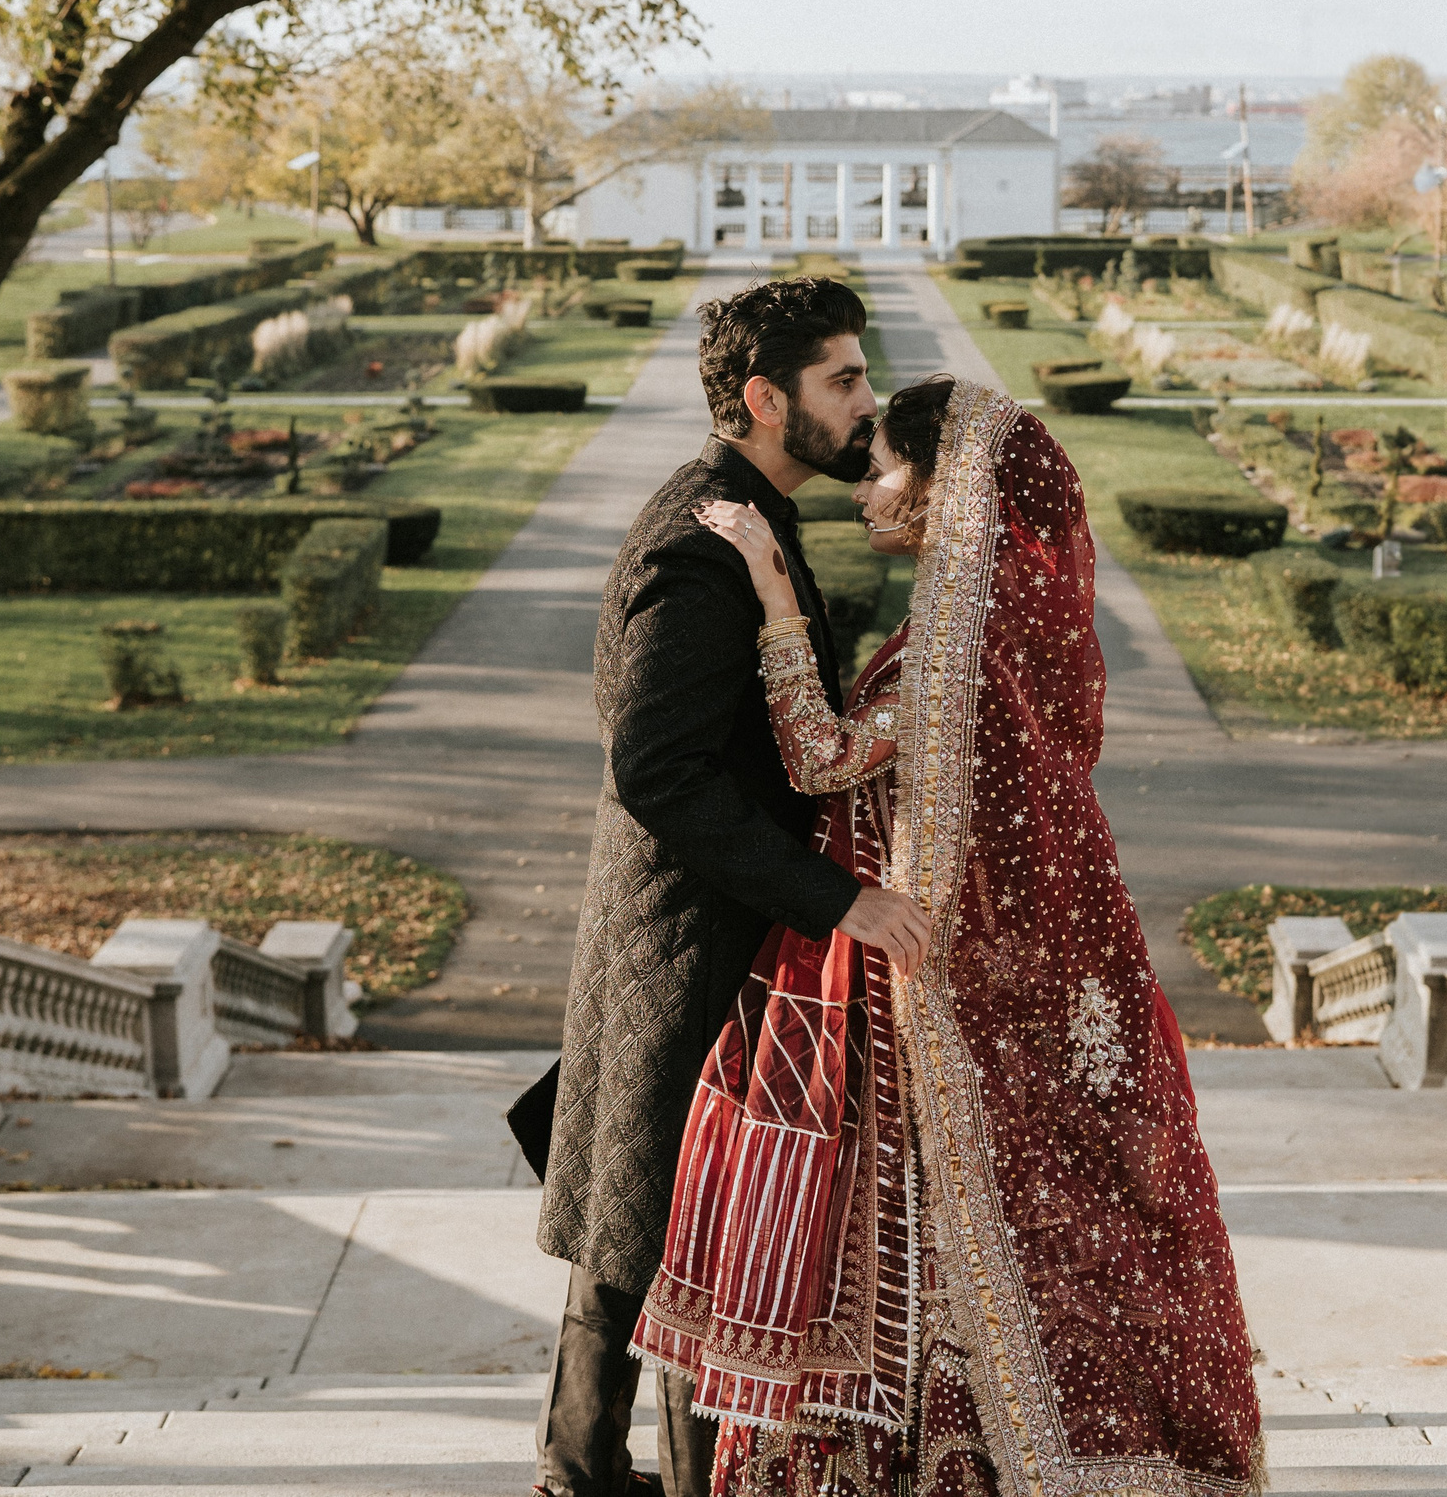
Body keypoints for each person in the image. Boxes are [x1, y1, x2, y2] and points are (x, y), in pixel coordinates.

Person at [634, 375, 1266, 1497]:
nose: (865, 489)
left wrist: (774, 590)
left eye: (884, 468)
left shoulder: (949, 653)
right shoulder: (992, 635)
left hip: (915, 982)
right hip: (955, 976)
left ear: (944, 488)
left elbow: (821, 757)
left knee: (931, 1224)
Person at [535, 277, 937, 1497]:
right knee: (662, 1226)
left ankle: (587, 1469)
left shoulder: (744, 512)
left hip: (708, 923)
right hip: (688, 932)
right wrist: (833, 896)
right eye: (843, 379)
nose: (865, 403)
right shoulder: (700, 539)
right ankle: (593, 1473)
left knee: (660, 1224)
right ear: (766, 399)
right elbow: (657, 768)